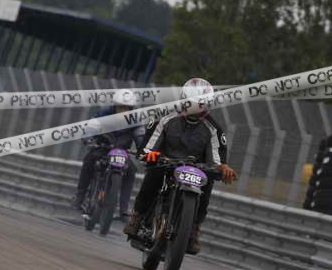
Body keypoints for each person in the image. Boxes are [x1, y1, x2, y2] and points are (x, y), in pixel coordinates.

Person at [123, 77, 237, 253]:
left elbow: (216, 161)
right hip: (165, 164)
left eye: (201, 106)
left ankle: (194, 228)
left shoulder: (214, 129)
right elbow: (146, 148)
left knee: (208, 183)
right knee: (153, 173)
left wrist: (223, 168)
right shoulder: (163, 117)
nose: (196, 110)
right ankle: (137, 216)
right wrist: (151, 155)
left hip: (195, 169)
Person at [71, 88, 145, 219]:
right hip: (102, 148)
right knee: (89, 160)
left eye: (126, 108)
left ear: (131, 109)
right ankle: (79, 197)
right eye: (120, 107)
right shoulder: (103, 113)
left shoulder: (136, 120)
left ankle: (123, 210)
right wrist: (88, 138)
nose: (123, 111)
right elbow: (91, 127)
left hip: (121, 153)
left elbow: (140, 137)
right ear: (114, 106)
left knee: (131, 170)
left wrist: (142, 150)